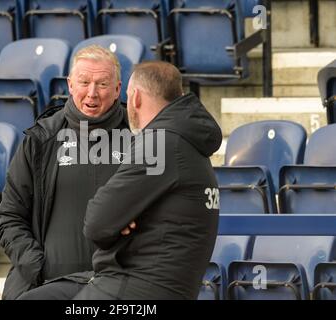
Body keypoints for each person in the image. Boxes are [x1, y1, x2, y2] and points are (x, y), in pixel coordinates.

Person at [18, 61, 222, 300]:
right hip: (129, 280)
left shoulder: (160, 143)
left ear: (134, 97)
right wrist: (121, 218)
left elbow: (96, 222)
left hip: (136, 288)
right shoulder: (183, 140)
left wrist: (119, 220)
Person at [0, 45, 129, 300]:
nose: (92, 93)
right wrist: (37, 267)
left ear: (117, 89)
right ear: (70, 84)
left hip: (117, 292)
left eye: (102, 84)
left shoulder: (140, 140)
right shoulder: (41, 139)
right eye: (84, 82)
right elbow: (10, 216)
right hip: (45, 288)